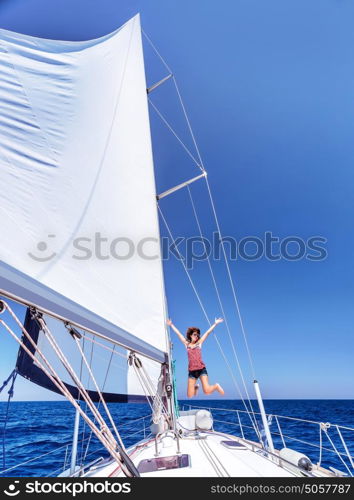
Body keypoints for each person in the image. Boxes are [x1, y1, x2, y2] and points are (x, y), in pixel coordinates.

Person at [167, 318, 225, 398]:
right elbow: (179, 334)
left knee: (207, 391)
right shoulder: (187, 344)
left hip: (201, 369)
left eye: (197, 335)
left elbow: (207, 333)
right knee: (190, 395)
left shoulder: (199, 343)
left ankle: (216, 386)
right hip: (192, 372)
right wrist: (171, 325)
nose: (196, 336)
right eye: (194, 334)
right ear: (190, 335)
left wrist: (215, 323)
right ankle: (196, 388)